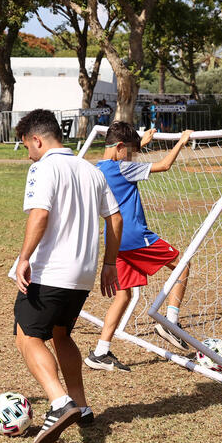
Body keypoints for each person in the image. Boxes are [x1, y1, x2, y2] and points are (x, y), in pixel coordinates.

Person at [9, 109, 121, 443]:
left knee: (27, 337)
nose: (27, 153)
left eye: (27, 145)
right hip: (83, 273)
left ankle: (59, 403)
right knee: (61, 333)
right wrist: (109, 264)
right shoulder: (91, 170)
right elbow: (115, 219)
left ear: (38, 140)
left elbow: (40, 214)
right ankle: (82, 406)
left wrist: (24, 258)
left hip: (50, 271)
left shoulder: (42, 168)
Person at [85, 123, 193, 373]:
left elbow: (122, 156)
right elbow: (164, 165)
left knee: (124, 295)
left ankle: (100, 352)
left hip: (114, 240)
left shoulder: (98, 169)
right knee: (182, 266)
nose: (133, 156)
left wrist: (142, 142)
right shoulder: (124, 168)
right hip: (135, 237)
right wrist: (181, 141)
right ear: (121, 148)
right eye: (131, 151)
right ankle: (170, 322)